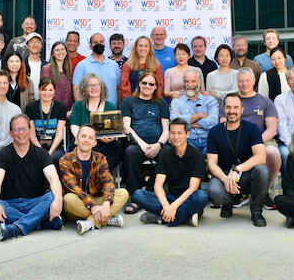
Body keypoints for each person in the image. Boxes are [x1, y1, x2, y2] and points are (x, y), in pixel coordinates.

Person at [0, 114, 64, 241]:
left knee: (52, 197)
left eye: (24, 128)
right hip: (10, 204)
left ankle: (15, 228)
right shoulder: (3, 155)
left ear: (30, 130)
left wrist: (58, 200)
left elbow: (53, 178)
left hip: (35, 203)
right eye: (17, 129)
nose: (21, 132)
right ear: (10, 133)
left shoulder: (42, 154)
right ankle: (39, 223)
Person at [207, 93, 271, 227]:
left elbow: (260, 157)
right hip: (224, 175)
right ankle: (228, 203)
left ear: (242, 109)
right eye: (228, 107)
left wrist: (236, 170)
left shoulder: (252, 129)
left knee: (263, 171)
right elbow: (212, 164)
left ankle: (256, 210)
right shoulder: (214, 132)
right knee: (214, 191)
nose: (232, 111)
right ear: (223, 109)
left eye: (236, 107)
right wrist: (226, 179)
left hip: (246, 174)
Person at [220, 68, 280, 210]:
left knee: (273, 152)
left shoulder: (265, 101)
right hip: (234, 140)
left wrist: (255, 142)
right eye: (241, 81)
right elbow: (223, 123)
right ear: (237, 82)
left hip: (261, 140)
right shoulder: (230, 101)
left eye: (247, 80)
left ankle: (263, 191)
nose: (244, 83)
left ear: (254, 81)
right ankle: (241, 192)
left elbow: (272, 129)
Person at [133, 118, 209, 227]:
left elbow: (193, 188)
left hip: (189, 199)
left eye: (179, 133)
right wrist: (166, 206)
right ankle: (184, 217)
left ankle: (161, 218)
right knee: (138, 195)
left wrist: (174, 207)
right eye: (172, 133)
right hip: (170, 197)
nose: (176, 137)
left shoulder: (198, 156)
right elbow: (158, 185)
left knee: (202, 196)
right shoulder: (165, 154)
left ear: (187, 134)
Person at [60, 124, 129, 235]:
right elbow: (73, 188)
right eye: (83, 136)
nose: (86, 140)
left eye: (90, 137)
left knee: (123, 193)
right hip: (78, 203)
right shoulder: (65, 160)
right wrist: (93, 206)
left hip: (96, 198)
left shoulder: (100, 158)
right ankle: (106, 218)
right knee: (68, 199)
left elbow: (108, 182)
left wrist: (106, 203)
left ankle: (91, 222)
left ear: (95, 143)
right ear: (76, 139)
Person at [121, 72, 170, 214]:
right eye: (144, 83)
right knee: (129, 153)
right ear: (139, 84)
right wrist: (141, 145)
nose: (147, 86)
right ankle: (136, 197)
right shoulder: (129, 101)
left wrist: (158, 145)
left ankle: (149, 192)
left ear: (155, 87)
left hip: (157, 144)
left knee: (168, 154)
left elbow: (166, 129)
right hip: (137, 145)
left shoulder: (161, 104)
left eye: (151, 84)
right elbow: (126, 127)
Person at [70, 73, 123, 171]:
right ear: (85, 88)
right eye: (90, 86)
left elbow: (115, 129)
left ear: (102, 88)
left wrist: (112, 137)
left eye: (96, 85)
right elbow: (74, 126)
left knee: (115, 149)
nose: (93, 88)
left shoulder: (110, 106)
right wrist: (83, 139)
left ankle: (100, 178)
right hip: (83, 143)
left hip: (106, 144)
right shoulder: (79, 105)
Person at [170, 69, 218, 155]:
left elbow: (213, 122)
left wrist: (187, 123)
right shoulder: (177, 102)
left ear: (200, 82)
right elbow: (175, 122)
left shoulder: (210, 101)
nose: (189, 85)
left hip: (209, 141)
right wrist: (199, 115)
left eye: (193, 81)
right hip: (188, 142)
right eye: (186, 81)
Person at [25, 77, 66, 171]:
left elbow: (59, 133)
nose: (47, 93)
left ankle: (53, 185)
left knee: (55, 158)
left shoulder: (60, 107)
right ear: (39, 90)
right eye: (44, 90)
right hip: (35, 147)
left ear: (54, 91)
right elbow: (31, 134)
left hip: (55, 147)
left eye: (50, 90)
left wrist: (49, 152)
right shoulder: (31, 107)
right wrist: (41, 151)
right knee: (33, 159)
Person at [72, 33, 121, 107]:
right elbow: (76, 89)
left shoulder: (114, 65)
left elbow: (118, 89)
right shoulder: (81, 65)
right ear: (91, 46)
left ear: (104, 44)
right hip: (89, 111)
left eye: (101, 42)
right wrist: (81, 109)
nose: (99, 44)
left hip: (111, 111)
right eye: (95, 42)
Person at [120, 36, 164, 100]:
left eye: (146, 46)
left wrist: (157, 102)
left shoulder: (156, 65)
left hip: (151, 103)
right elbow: (124, 87)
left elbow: (159, 86)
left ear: (149, 49)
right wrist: (129, 102)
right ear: (136, 48)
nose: (143, 49)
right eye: (140, 46)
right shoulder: (128, 65)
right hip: (133, 102)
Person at [41, 41, 73, 112]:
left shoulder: (67, 70)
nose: (60, 52)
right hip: (53, 111)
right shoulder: (47, 69)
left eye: (62, 49)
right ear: (53, 54)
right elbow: (46, 91)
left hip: (67, 112)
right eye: (57, 50)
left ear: (66, 52)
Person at [23, 32, 46, 99]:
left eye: (38, 42)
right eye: (32, 42)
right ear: (27, 45)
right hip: (26, 101)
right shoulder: (22, 65)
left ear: (41, 46)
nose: (35, 44)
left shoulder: (46, 66)